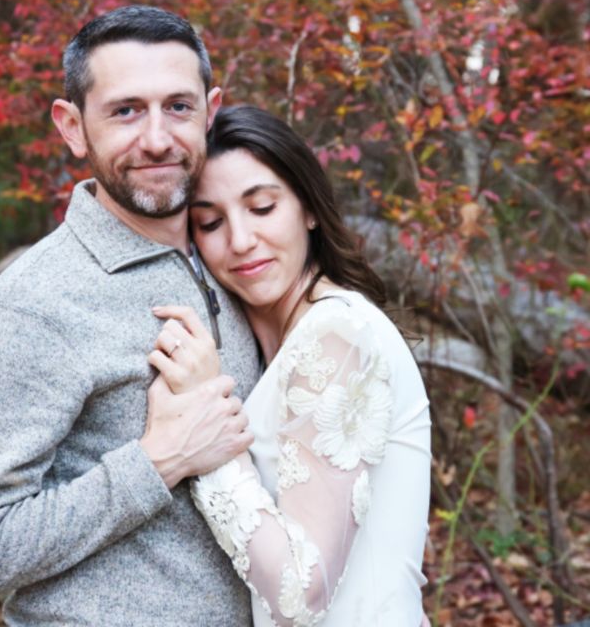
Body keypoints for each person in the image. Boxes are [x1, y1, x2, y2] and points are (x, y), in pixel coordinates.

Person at [0, 6, 260, 626]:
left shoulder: (236, 263)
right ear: (73, 127)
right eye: (126, 111)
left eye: (178, 107)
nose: (158, 139)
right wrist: (159, 461)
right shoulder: (30, 309)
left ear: (210, 113)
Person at [149, 105, 431, 626]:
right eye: (211, 222)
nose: (240, 241)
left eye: (262, 208)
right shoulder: (288, 342)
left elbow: (303, 591)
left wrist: (209, 434)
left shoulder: (336, 335)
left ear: (309, 208)